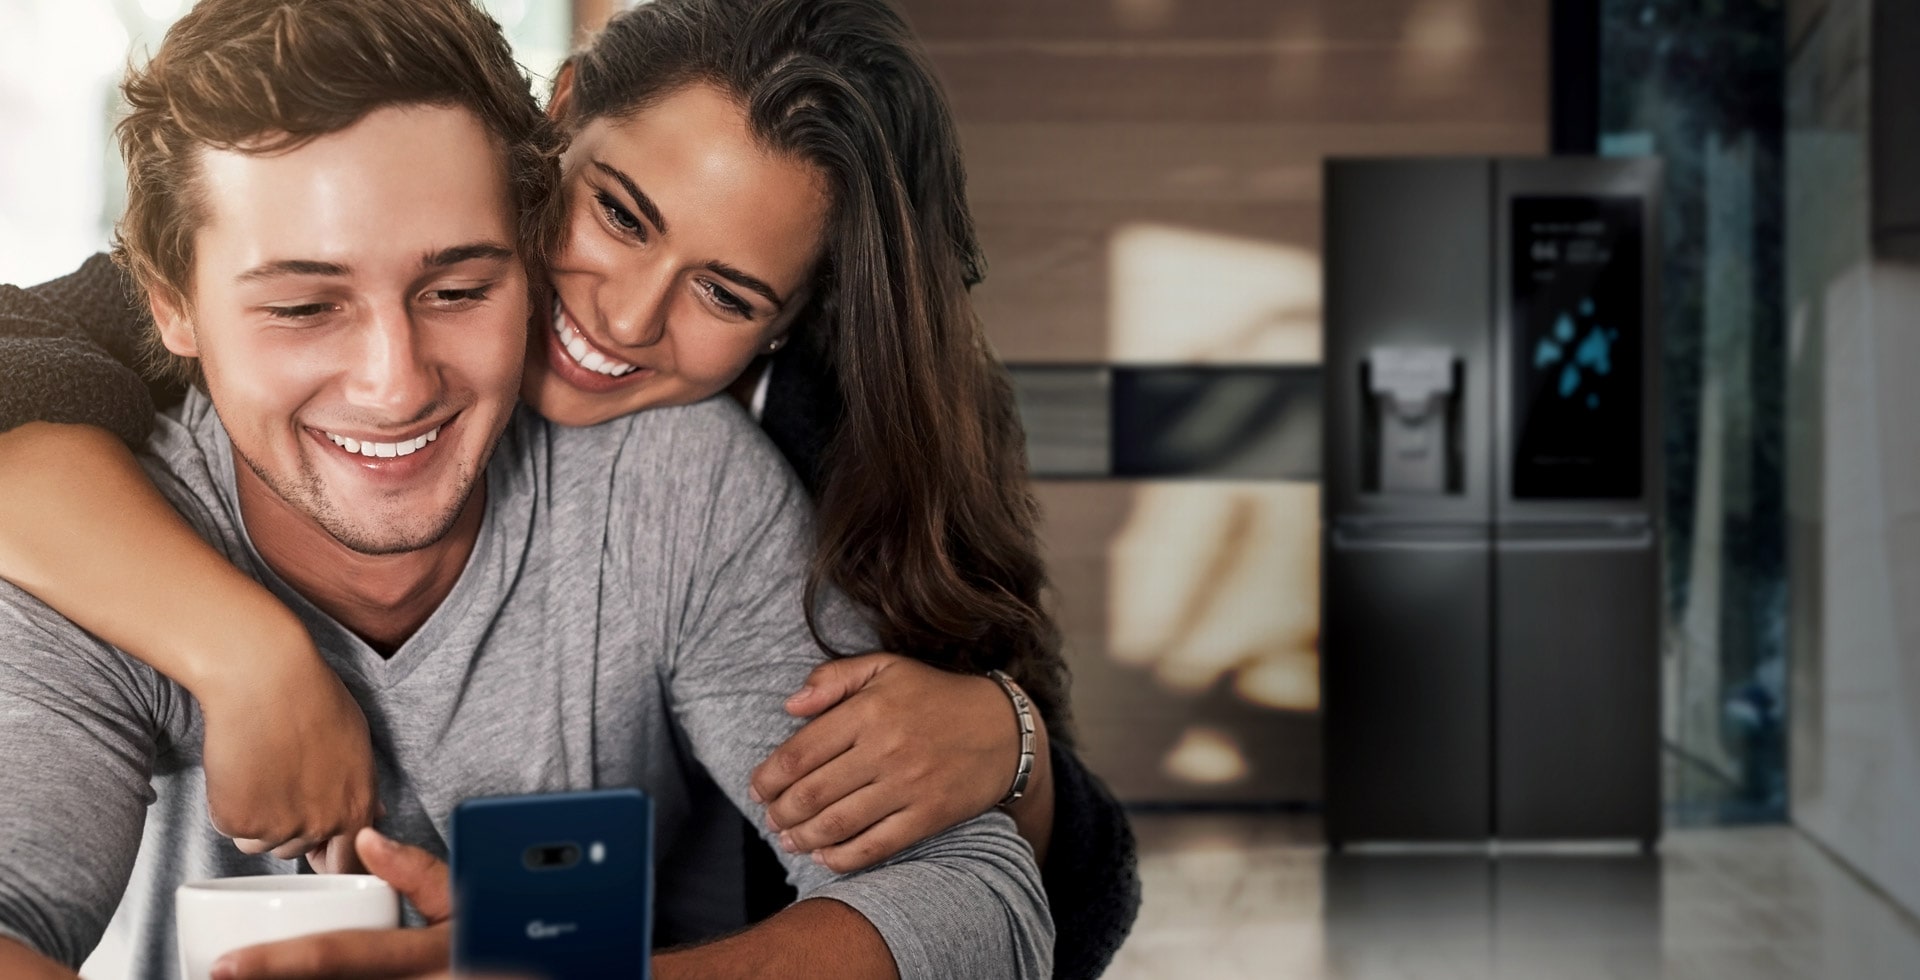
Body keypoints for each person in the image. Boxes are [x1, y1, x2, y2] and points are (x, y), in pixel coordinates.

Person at [0, 0, 1138, 975]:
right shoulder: (98, 517)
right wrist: (245, 650)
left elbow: (985, 896)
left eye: (458, 287)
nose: (393, 384)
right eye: (303, 306)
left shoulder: (695, 483)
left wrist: (1012, 730)